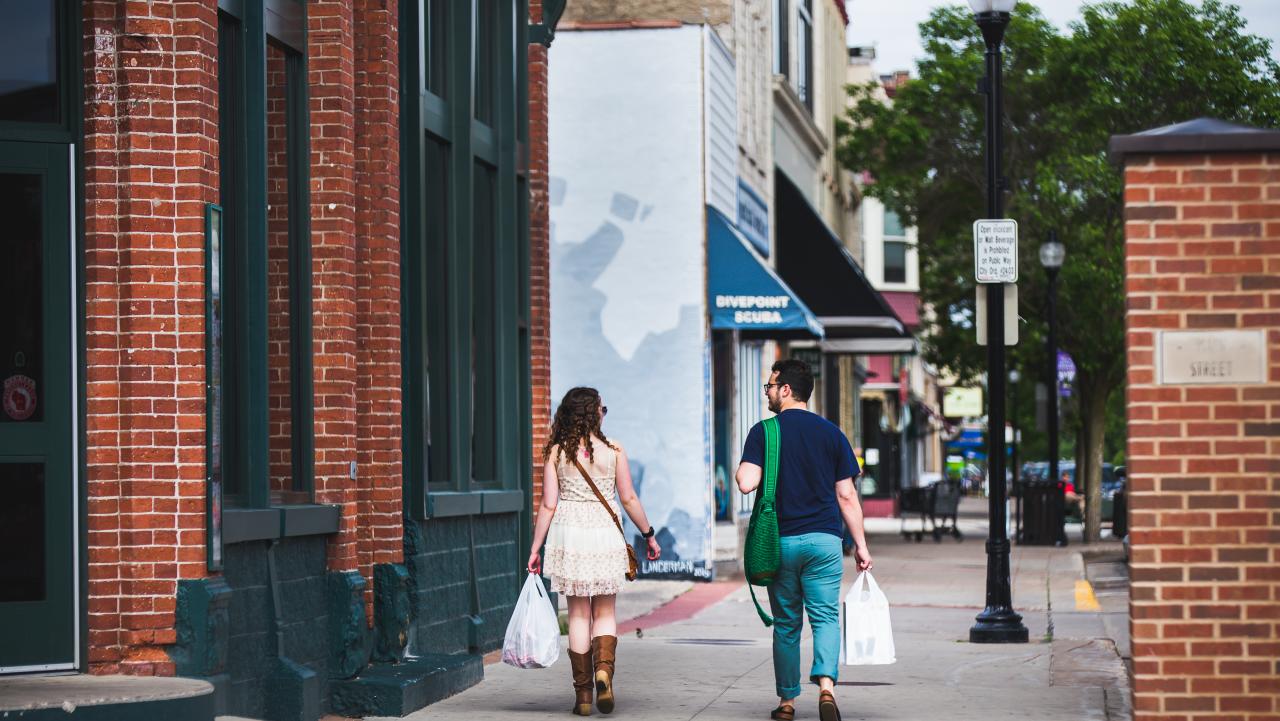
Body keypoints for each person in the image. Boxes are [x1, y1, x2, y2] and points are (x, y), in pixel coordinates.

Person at [736, 359, 874, 721]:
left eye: (769, 385)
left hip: (781, 541)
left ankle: (786, 703)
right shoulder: (832, 434)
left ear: (785, 389)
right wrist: (860, 544)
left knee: (786, 624)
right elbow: (846, 496)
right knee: (826, 617)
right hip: (825, 542)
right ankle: (827, 688)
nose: (766, 391)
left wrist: (756, 466)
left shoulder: (764, 432)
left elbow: (745, 482)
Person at [528, 387, 662, 716]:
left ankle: (583, 696)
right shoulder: (615, 449)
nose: (604, 413)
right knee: (604, 613)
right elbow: (629, 498)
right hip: (604, 533)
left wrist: (535, 548)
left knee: (577, 615)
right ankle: (604, 672)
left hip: (570, 535)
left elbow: (548, 504)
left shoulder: (557, 452)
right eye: (603, 408)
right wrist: (649, 534)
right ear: (595, 413)